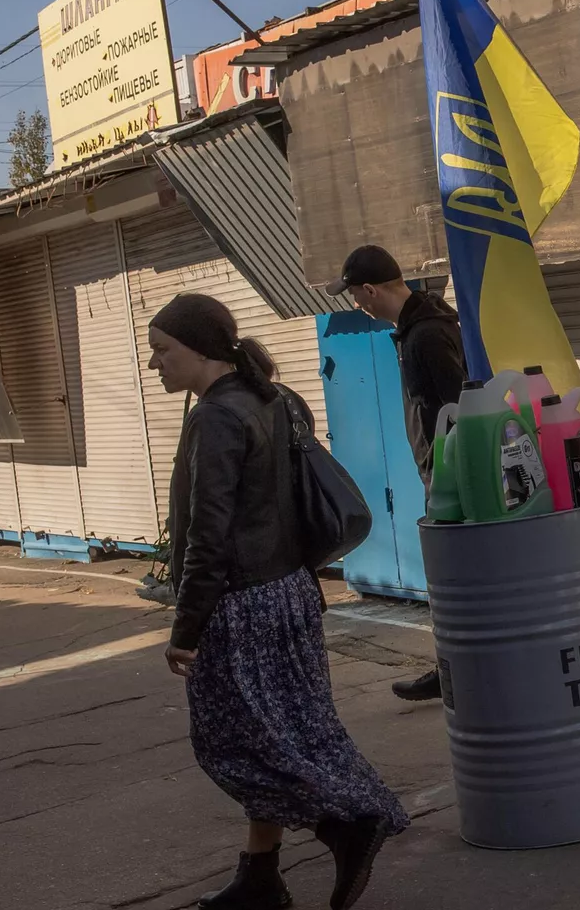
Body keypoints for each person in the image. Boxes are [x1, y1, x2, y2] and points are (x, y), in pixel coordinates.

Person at [150, 293, 407, 910]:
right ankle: (260, 875)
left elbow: (208, 535)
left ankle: (344, 824)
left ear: (200, 349)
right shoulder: (274, 397)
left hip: (238, 607)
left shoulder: (215, 417)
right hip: (291, 593)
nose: (155, 364)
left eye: (163, 351)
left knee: (236, 745)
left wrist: (186, 627)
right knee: (296, 729)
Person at [327, 245, 465, 702]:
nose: (355, 305)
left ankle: (457, 673)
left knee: (452, 584)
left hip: (451, 477)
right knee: (448, 583)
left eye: (354, 296)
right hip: (437, 472)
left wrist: (447, 471)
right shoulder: (415, 329)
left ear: (369, 290)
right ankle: (454, 669)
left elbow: (456, 410)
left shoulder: (426, 335)